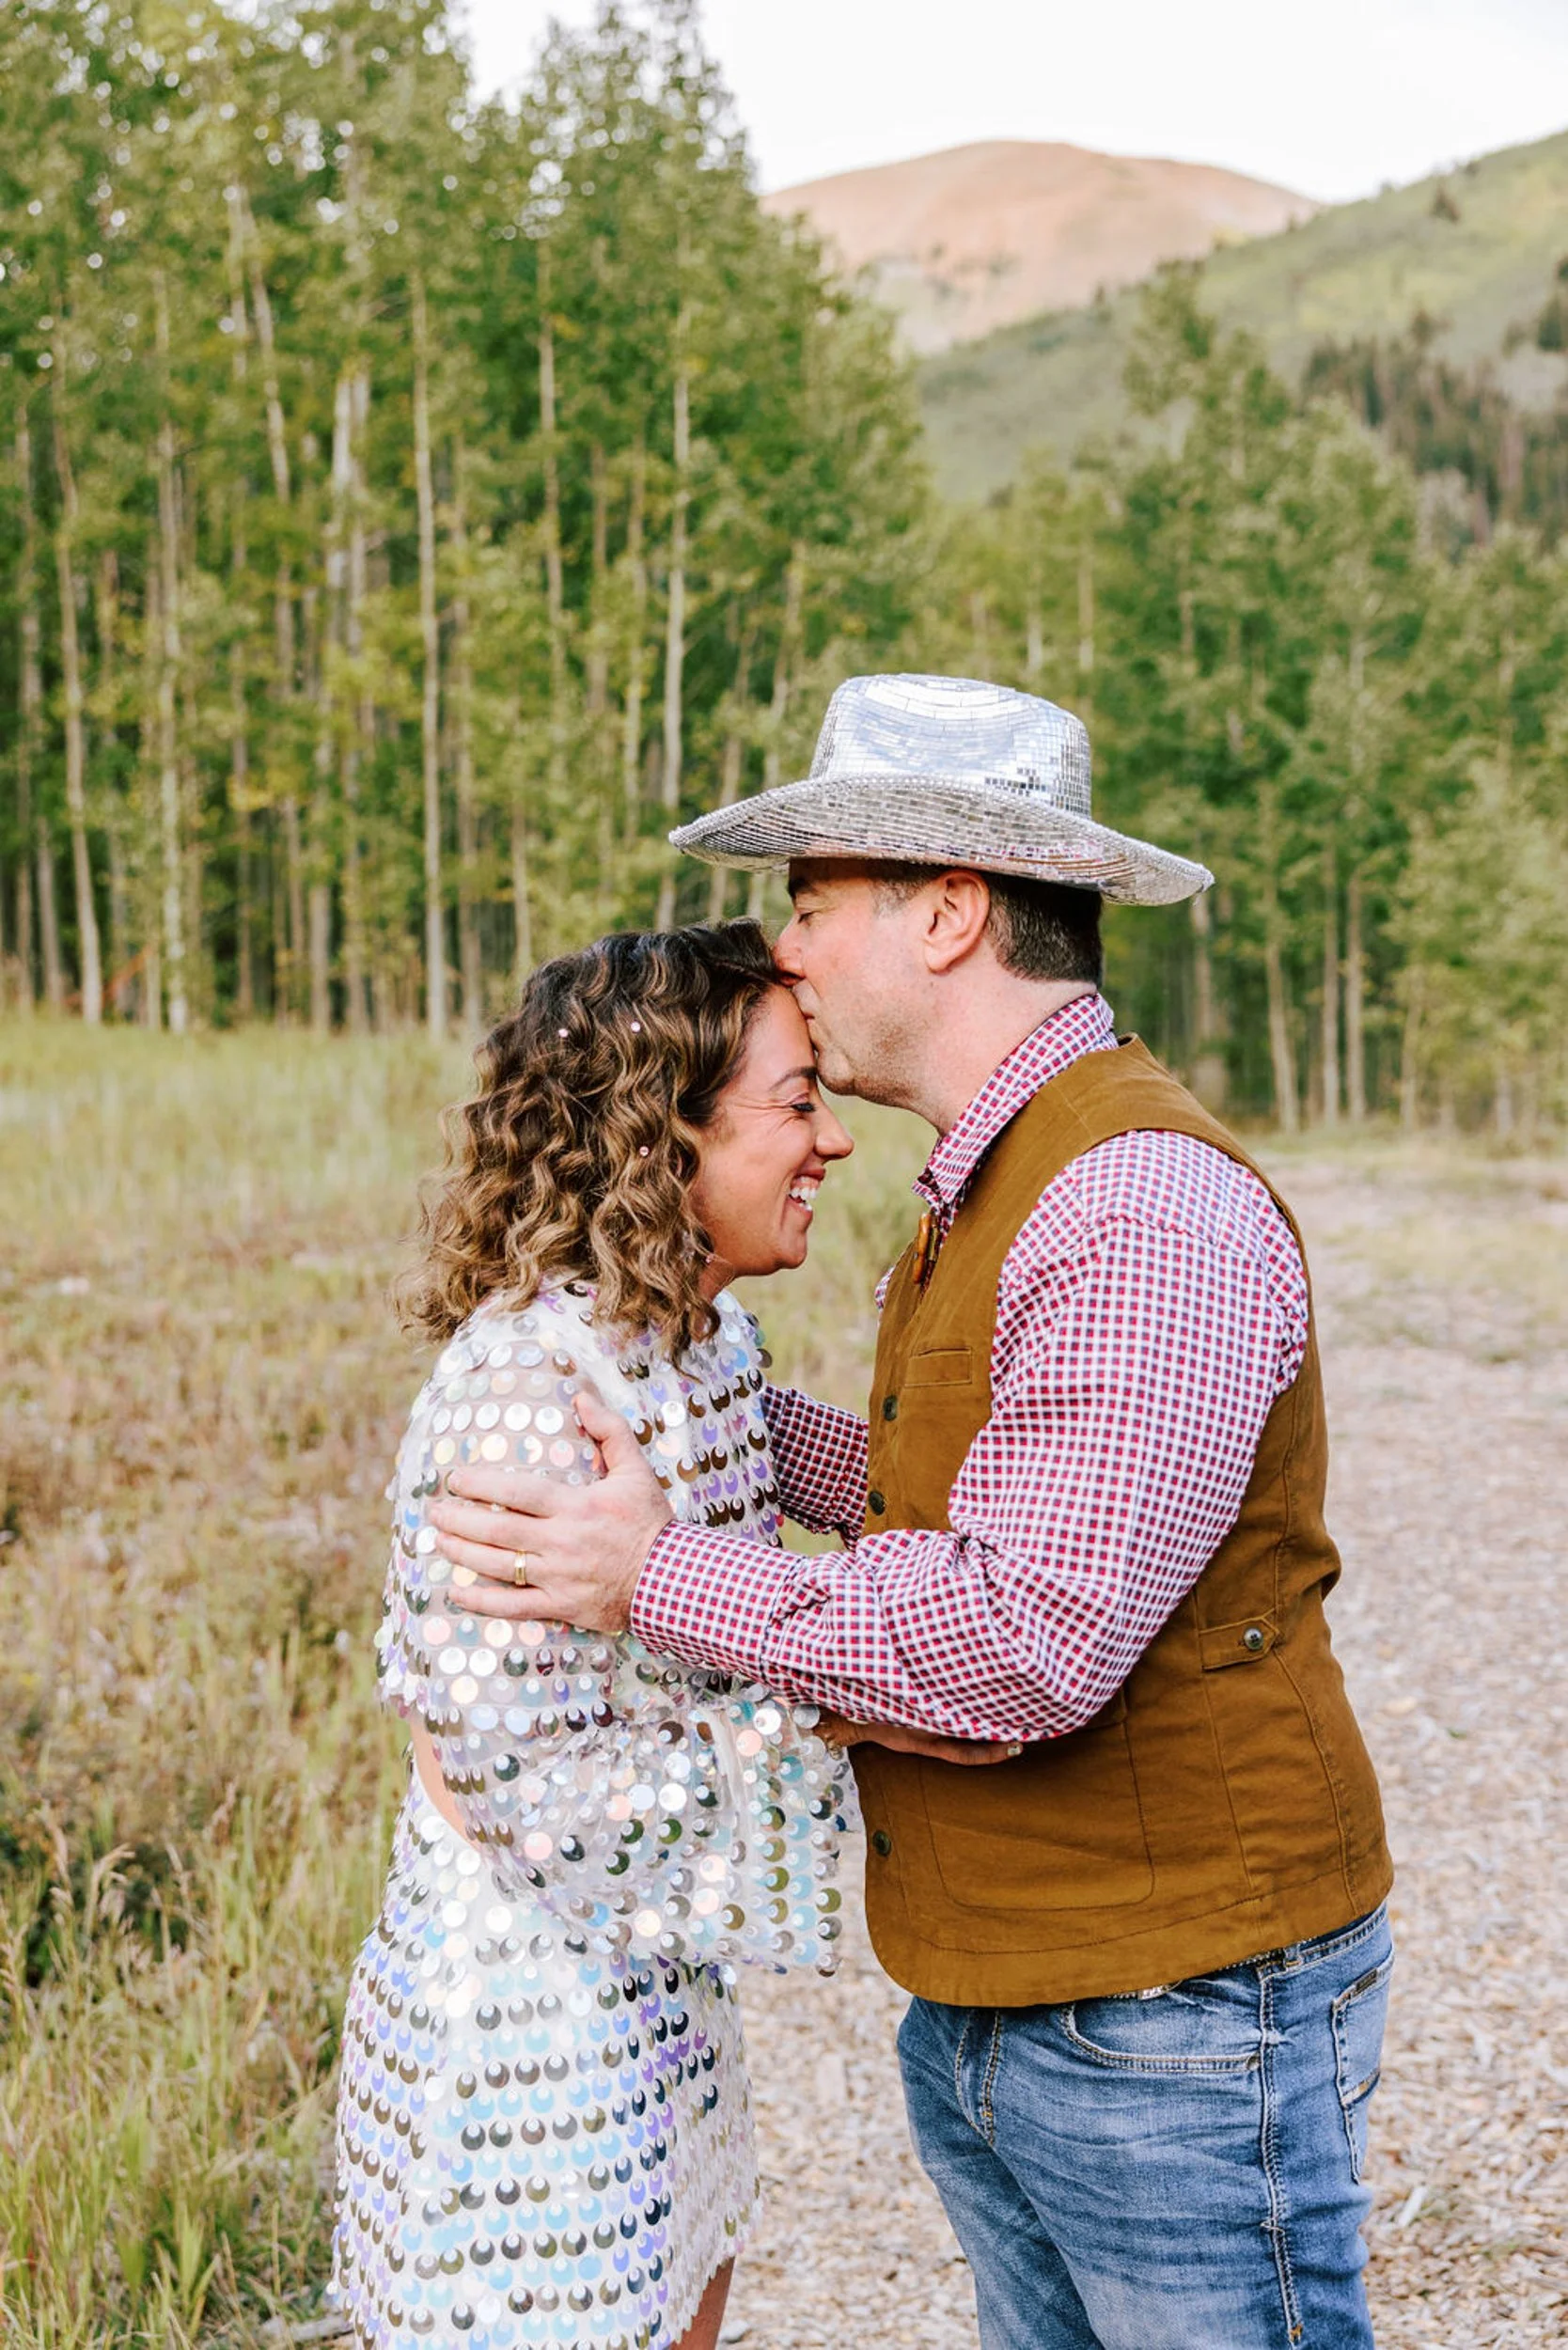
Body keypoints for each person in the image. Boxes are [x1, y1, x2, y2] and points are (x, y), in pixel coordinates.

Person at [432, 674, 1397, 2350]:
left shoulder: (1135, 1201)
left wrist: (652, 1572)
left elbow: (1022, 1640)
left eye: (814, 906)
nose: (785, 950)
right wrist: (704, 1417)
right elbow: (954, 1481)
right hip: (1029, 1991)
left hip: (1173, 2011)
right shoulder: (1010, 1173)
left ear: (949, 913)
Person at [330, 918, 1003, 2350]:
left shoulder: (706, 1348)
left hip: (656, 2009)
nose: (832, 1142)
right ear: (660, 1139)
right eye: (795, 1100)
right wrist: (838, 1721)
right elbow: (521, 1789)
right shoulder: (528, 1395)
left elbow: (861, 1475)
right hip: (532, 2045)